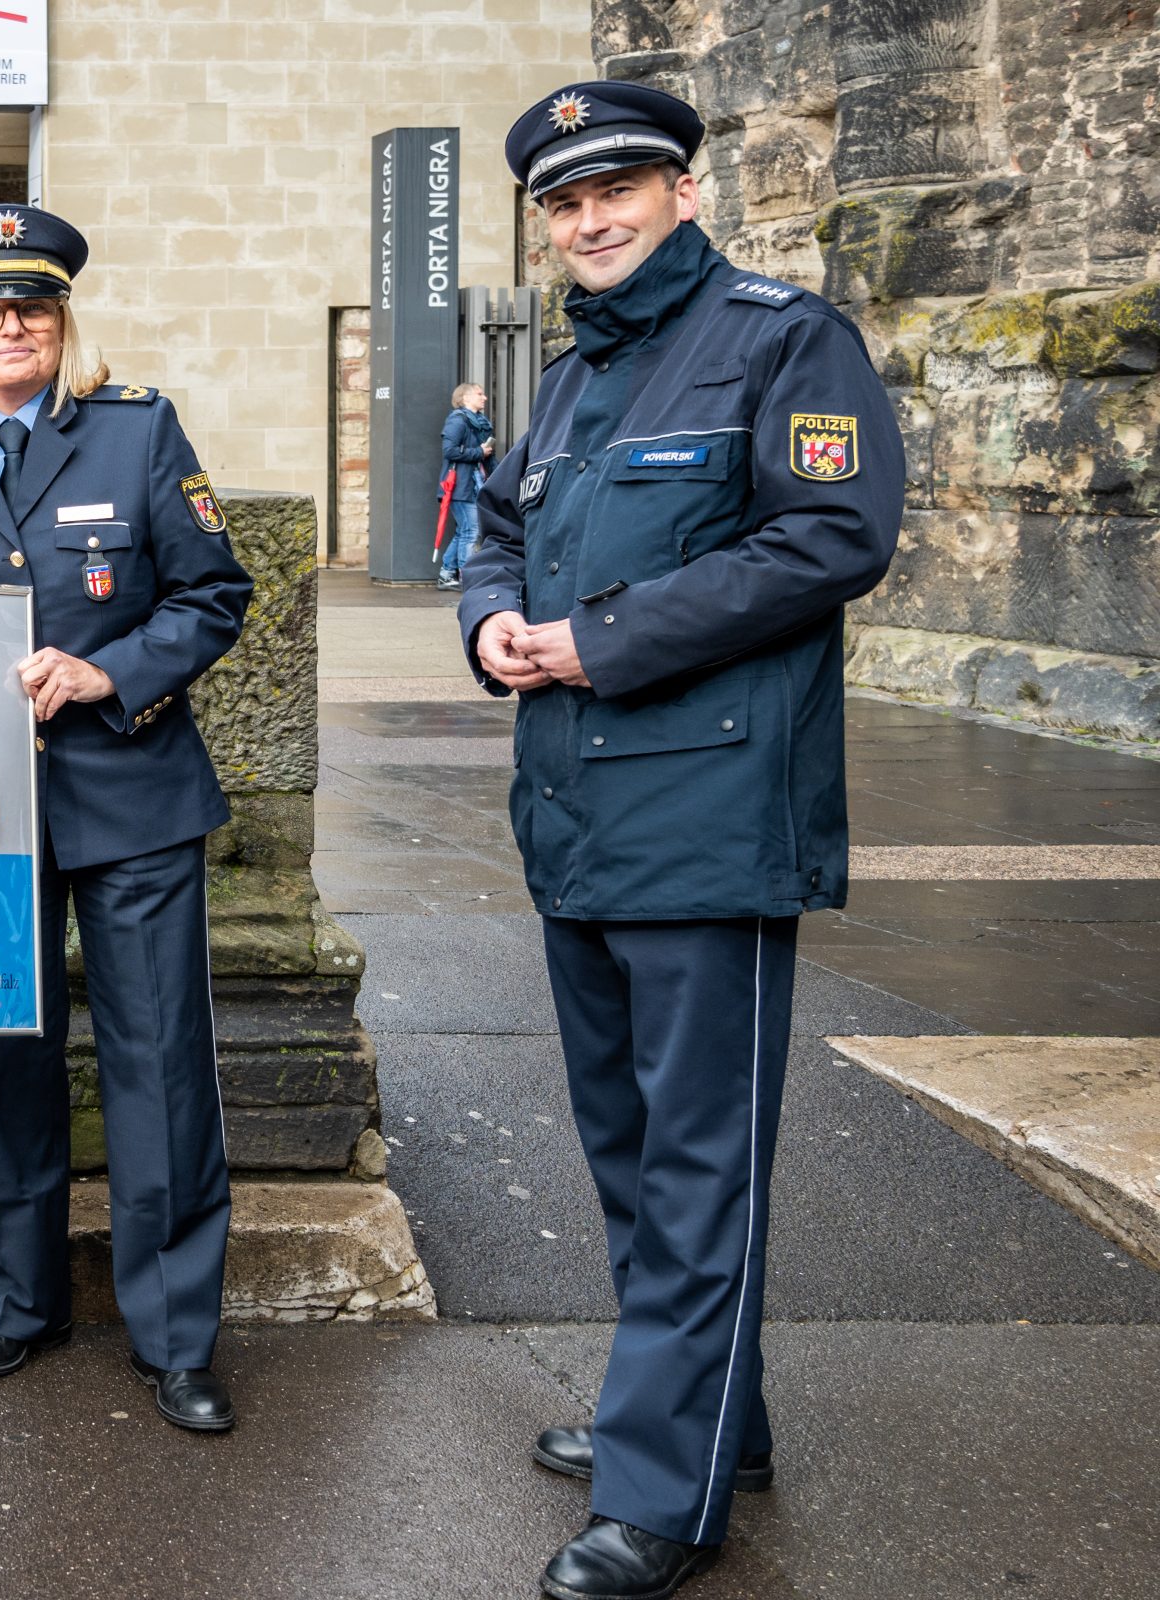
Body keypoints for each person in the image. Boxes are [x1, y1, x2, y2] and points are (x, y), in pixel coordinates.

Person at [459, 82, 902, 1599]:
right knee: (635, 1152)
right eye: (566, 203)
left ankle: (666, 1491)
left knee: (698, 1161)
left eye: (621, 189)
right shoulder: (582, 369)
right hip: (578, 819)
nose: (591, 220)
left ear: (685, 192)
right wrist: (492, 624)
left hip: (710, 817)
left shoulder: (784, 338)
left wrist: (601, 640)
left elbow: (832, 537)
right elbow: (501, 530)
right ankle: (709, 1419)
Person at [0, 204, 253, 1432]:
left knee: (160, 1068)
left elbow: (214, 592)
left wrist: (110, 672)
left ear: (61, 317)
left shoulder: (136, 433)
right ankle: (17, 1301)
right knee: (5, 1057)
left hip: (130, 788)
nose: (9, 326)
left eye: (30, 304)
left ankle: (177, 1332)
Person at [435, 381, 495, 589]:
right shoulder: (458, 421)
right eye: (479, 394)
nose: (484, 397)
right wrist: (479, 452)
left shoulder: (478, 423)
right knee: (471, 531)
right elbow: (449, 451)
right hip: (460, 487)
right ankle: (467, 578)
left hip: (473, 485)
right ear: (465, 398)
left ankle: (446, 574)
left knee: (465, 531)